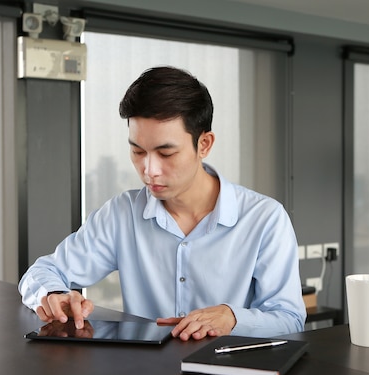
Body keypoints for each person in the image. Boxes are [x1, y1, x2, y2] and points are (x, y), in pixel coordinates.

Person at [19, 66, 306, 341]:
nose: (149, 169)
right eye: (138, 151)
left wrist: (232, 318)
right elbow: (42, 272)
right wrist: (55, 294)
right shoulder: (121, 215)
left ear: (204, 144)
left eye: (165, 153)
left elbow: (289, 318)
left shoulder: (265, 218)